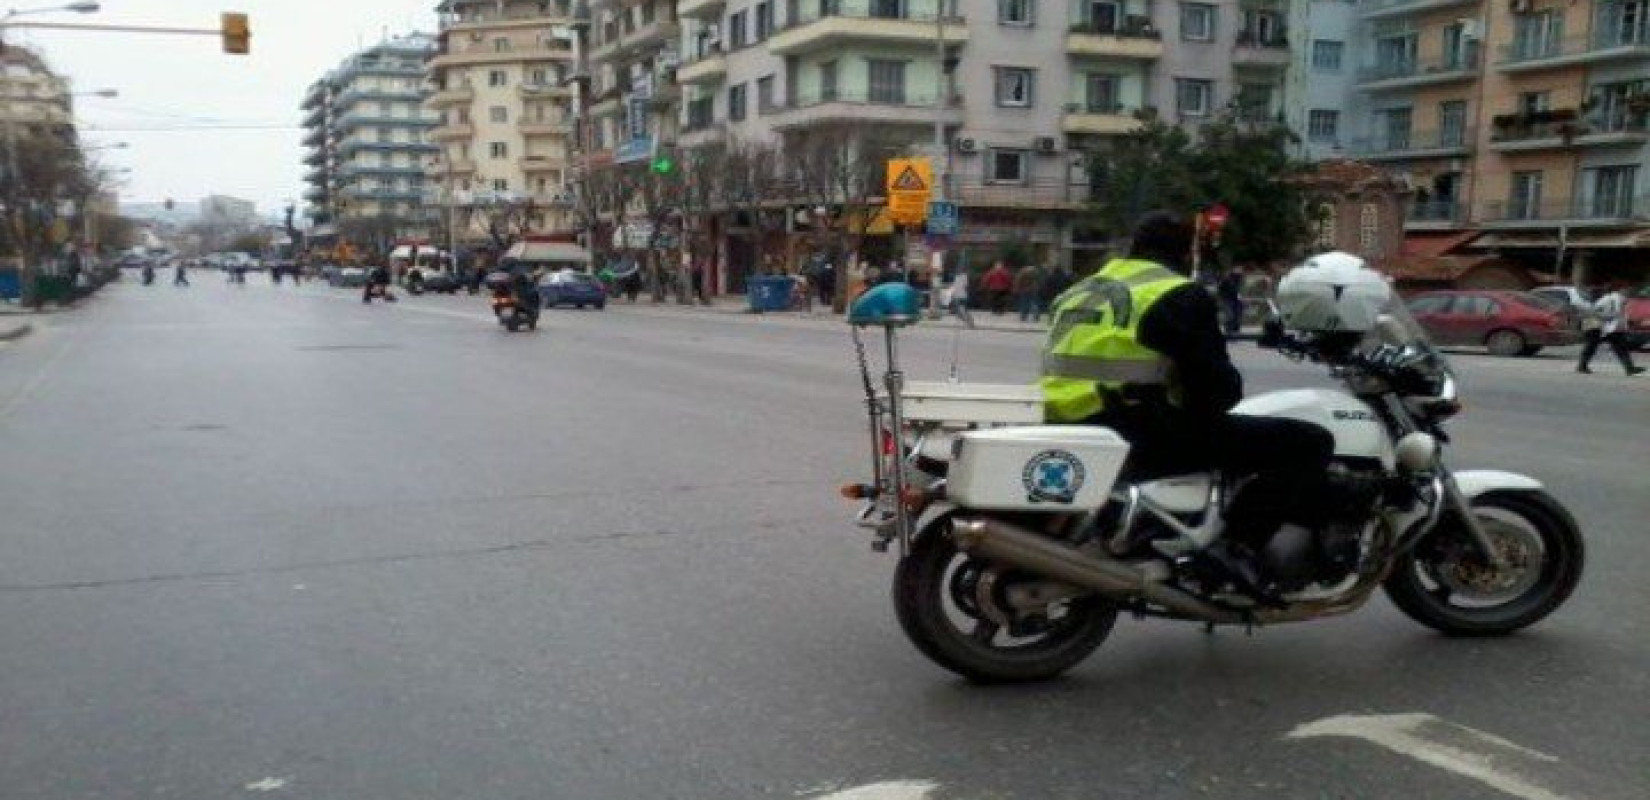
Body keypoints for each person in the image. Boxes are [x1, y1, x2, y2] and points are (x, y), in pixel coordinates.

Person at [1039, 211, 1334, 602]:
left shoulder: (1082, 288)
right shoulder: (1174, 292)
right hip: (1133, 428)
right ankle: (1237, 549)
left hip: (1064, 418)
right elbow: (1214, 389)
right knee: (1308, 442)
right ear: (1182, 251)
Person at [1577, 282, 1644, 376]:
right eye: (1629, 290)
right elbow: (1617, 313)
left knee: (1594, 345)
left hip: (1597, 323)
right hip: (1601, 324)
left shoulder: (1607, 298)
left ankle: (1582, 365)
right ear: (1621, 289)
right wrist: (1621, 324)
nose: (1631, 292)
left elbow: (1598, 311)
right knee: (1595, 345)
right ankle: (1629, 368)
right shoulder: (1619, 298)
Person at [1216, 269, 1244, 336]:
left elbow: (1237, 289)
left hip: (1234, 299)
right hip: (1226, 299)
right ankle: (1229, 330)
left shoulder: (1237, 281)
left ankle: (1235, 329)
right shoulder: (1227, 280)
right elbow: (1221, 290)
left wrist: (1239, 296)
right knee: (1230, 315)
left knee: (1237, 314)